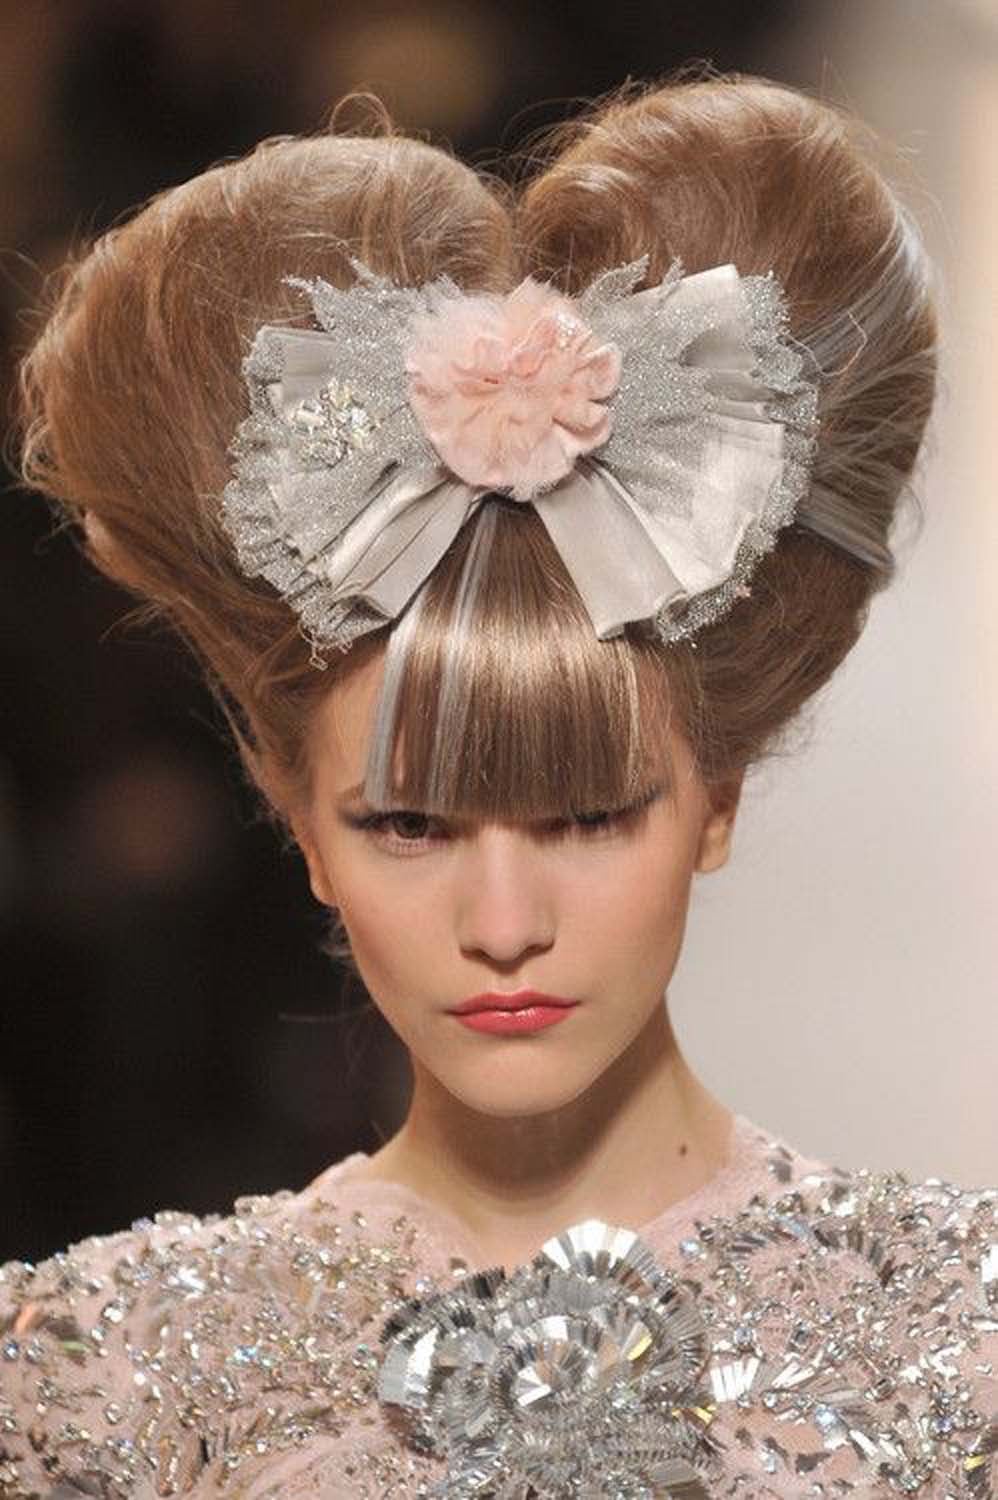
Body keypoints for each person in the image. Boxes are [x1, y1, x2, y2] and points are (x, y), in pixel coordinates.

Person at [1, 74, 994, 1500]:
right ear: (297, 818)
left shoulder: (961, 1350)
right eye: (408, 823)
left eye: (589, 815)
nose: (504, 923)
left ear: (716, 798)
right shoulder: (88, 1379)